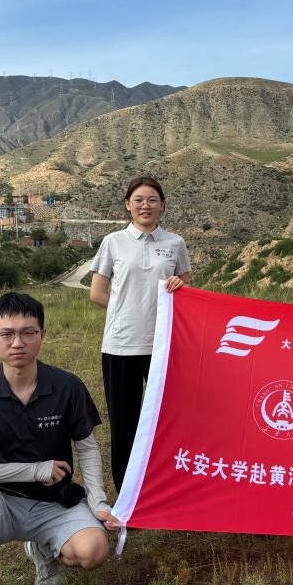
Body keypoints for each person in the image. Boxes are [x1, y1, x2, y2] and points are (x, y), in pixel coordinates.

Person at [0, 292, 118, 585]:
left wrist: (98, 501)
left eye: (28, 332)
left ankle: (44, 550)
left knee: (93, 552)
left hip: (54, 502)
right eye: (6, 334)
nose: (17, 343)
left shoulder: (67, 386)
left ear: (42, 335)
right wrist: (35, 470)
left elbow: (87, 447)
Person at [90, 176, 191, 491]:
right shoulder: (113, 242)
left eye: (152, 200)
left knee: (168, 420)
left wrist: (179, 285)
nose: (145, 205)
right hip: (121, 344)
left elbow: (187, 289)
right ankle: (127, 494)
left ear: (162, 205)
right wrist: (128, 309)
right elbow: (97, 293)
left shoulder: (175, 243)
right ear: (127, 205)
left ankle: (164, 486)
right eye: (138, 200)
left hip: (164, 345)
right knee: (124, 423)